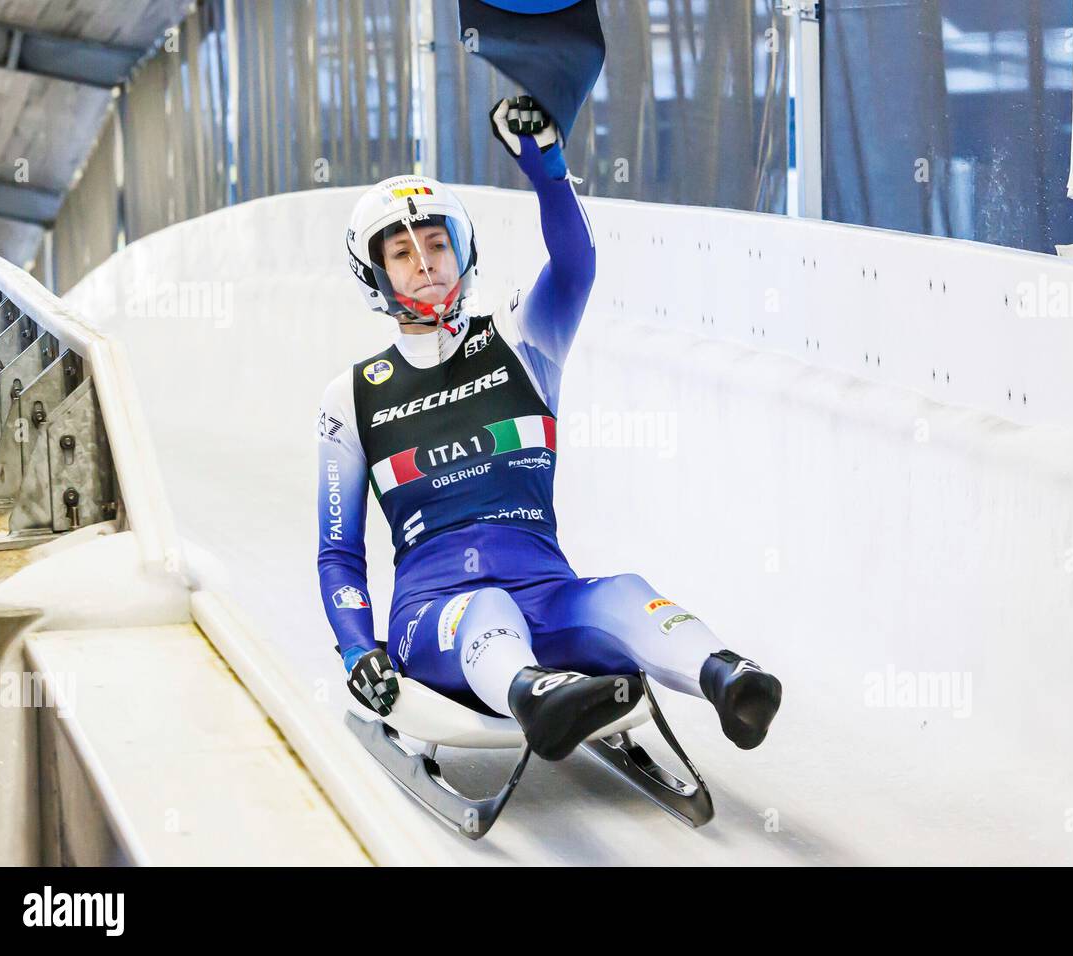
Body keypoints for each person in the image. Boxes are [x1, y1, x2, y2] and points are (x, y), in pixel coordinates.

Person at [317, 95, 782, 761]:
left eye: (438, 243)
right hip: (435, 614)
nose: (425, 261)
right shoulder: (352, 397)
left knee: (622, 593)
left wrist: (548, 172)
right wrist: (358, 648)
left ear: (462, 250)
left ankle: (728, 677)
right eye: (402, 252)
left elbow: (575, 267)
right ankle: (536, 694)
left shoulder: (521, 339)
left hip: (547, 590)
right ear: (377, 276)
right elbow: (338, 553)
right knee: (487, 611)